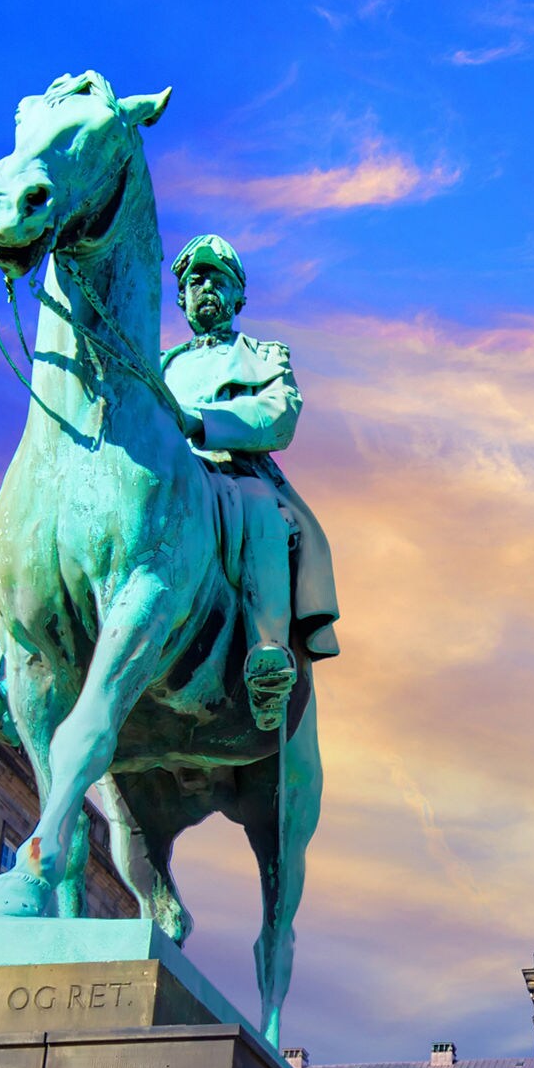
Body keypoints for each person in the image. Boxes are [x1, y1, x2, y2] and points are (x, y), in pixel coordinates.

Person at [162, 234, 339, 730]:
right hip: (165, 484)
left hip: (230, 477)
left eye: (217, 278)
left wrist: (199, 420)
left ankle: (268, 654)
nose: (204, 287)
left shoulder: (263, 355)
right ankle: (8, 663)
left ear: (239, 295)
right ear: (180, 298)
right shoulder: (160, 367)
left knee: (263, 509)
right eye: (194, 280)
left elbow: (278, 415)